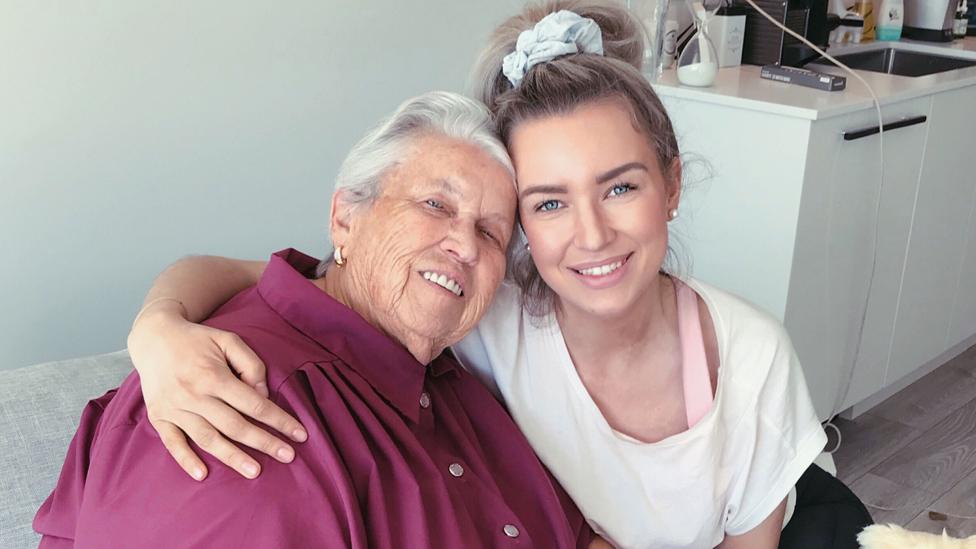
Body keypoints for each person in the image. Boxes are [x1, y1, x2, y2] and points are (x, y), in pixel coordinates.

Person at [114, 2, 872, 548]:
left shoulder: (749, 357)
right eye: (547, 203)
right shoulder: (483, 313)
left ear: (671, 186)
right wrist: (158, 328)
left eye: (620, 186)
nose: (593, 234)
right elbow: (291, 285)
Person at [33, 91, 595, 548]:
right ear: (344, 217)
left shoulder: (451, 369)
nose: (466, 247)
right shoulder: (240, 404)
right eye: (435, 205)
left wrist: (158, 314)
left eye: (491, 232)